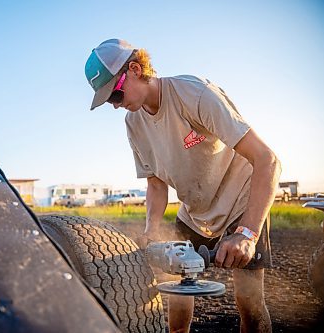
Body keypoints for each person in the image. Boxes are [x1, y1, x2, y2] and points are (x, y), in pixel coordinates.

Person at [84, 39, 280, 333]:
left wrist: (247, 234)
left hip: (241, 204)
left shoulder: (195, 94)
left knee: (249, 305)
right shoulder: (133, 123)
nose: (114, 104)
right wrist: (152, 228)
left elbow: (268, 160)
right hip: (194, 213)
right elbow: (155, 183)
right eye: (109, 100)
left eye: (115, 94)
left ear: (135, 70)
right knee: (176, 296)